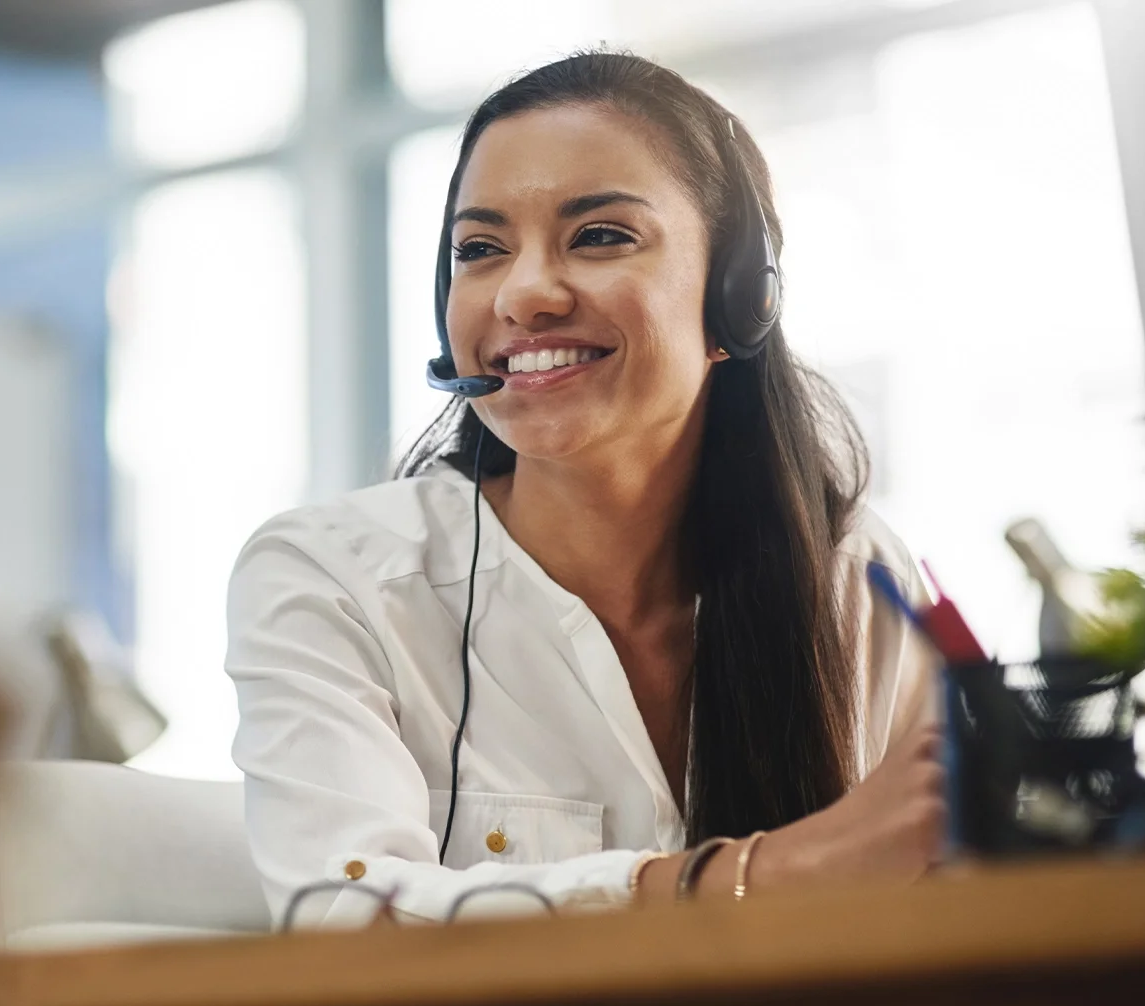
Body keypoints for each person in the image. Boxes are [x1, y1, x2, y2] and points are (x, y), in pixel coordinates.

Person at [227, 51, 943, 928]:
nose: (524, 295)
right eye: (480, 250)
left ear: (738, 297)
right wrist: (758, 875)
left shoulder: (857, 577)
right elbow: (341, 920)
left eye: (600, 235)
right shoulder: (334, 578)